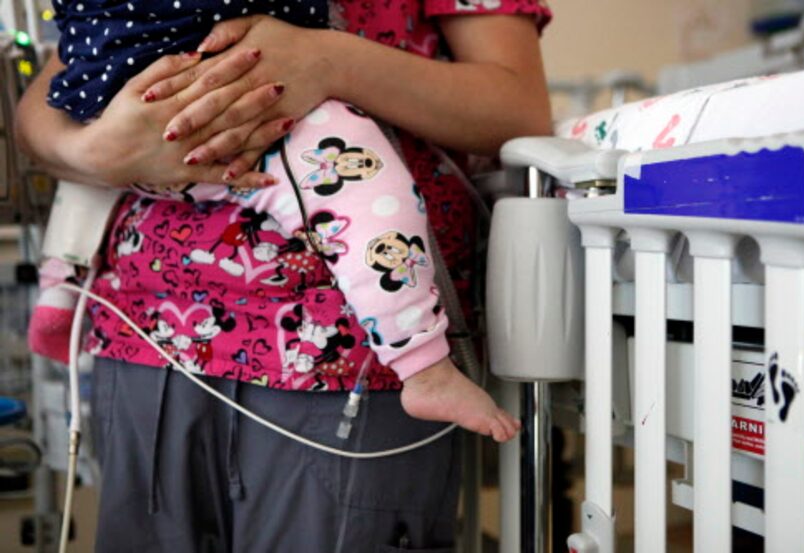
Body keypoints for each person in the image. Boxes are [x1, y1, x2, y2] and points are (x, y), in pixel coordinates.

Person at [16, 1, 552, 550]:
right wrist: (92, 150)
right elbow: (59, 81)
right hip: (144, 331)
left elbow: (519, 110)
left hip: (347, 355)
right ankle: (64, 284)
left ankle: (423, 364)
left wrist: (330, 60)